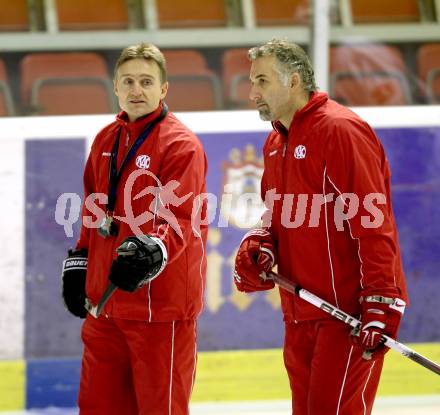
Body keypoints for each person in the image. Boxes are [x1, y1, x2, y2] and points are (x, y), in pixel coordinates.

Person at [234, 38, 408, 415]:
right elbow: (276, 217)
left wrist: (378, 300)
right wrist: (259, 246)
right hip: (301, 310)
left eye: (261, 81)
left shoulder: (340, 130)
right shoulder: (276, 142)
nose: (253, 93)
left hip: (347, 312)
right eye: (253, 82)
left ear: (293, 80)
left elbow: (372, 222)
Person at [61, 42, 208, 415]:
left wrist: (151, 251)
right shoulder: (105, 139)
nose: (136, 90)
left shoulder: (180, 145)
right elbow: (94, 209)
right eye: (128, 81)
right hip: (106, 306)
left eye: (146, 81)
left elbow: (180, 219)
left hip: (160, 313)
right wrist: (80, 261)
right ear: (114, 86)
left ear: (164, 89)